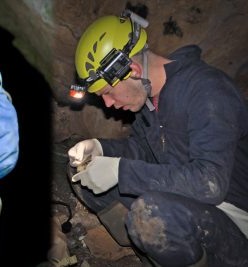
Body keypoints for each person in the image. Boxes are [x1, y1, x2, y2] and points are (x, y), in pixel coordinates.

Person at [67, 10, 248, 267]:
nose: (108, 103)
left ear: (132, 69)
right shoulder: (151, 102)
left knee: (151, 213)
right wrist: (98, 148)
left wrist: (120, 171)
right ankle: (150, 252)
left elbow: (210, 183)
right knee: (83, 171)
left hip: (234, 219)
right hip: (186, 201)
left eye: (107, 92)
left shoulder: (208, 91)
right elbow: (142, 149)